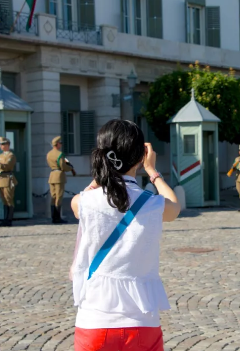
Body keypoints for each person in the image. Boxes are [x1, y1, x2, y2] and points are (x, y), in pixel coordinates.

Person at [70, 120, 181, 351]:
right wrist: (152, 170)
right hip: (142, 322)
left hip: (94, 321)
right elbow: (174, 206)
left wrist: (102, 172)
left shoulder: (83, 202)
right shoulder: (152, 204)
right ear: (141, 156)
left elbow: (86, 195)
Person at [46, 136, 76, 224]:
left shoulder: (49, 154)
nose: (61, 145)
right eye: (60, 143)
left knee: (53, 197)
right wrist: (70, 168)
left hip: (52, 175)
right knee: (58, 197)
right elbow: (63, 166)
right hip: (59, 176)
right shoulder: (59, 154)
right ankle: (57, 217)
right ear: (57, 144)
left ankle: (53, 217)